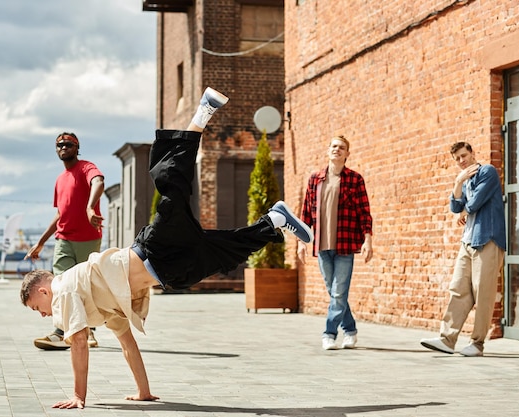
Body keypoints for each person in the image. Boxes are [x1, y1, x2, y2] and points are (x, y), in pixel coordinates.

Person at [20, 87, 313, 409]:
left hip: (153, 249)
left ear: (43, 291)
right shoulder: (98, 306)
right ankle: (272, 220)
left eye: (36, 307)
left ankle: (201, 115)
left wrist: (79, 396)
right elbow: (127, 343)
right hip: (170, 271)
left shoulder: (63, 289)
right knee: (225, 252)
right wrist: (144, 392)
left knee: (172, 188)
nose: (41, 314)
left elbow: (78, 343)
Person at [420, 142, 506, 357]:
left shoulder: (487, 171)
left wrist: (464, 209)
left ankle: (477, 344)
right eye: (457, 158)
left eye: (464, 155)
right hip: (467, 241)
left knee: (483, 293)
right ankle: (447, 339)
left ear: (472, 153)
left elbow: (474, 202)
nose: (462, 161)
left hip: (488, 239)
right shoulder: (464, 180)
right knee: (458, 289)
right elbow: (455, 207)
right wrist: (458, 182)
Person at [25, 131, 105, 350]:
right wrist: (41, 242)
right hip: (64, 239)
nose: (63, 148)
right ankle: (60, 331)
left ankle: (88, 331)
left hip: (88, 238)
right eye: (59, 145)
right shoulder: (60, 180)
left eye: (68, 144)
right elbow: (61, 213)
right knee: (60, 284)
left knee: (85, 286)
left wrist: (90, 207)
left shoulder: (86, 167)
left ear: (77, 148)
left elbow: (98, 181)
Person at [298, 135, 373, 350]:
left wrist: (368, 239)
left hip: (345, 245)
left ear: (347, 154)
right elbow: (306, 214)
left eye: (341, 148)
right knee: (335, 292)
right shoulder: (315, 179)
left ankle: (329, 334)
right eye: (333, 146)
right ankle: (350, 330)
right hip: (322, 245)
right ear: (328, 150)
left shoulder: (355, 179)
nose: (336, 150)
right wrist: (301, 242)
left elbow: (364, 213)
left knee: (339, 292)